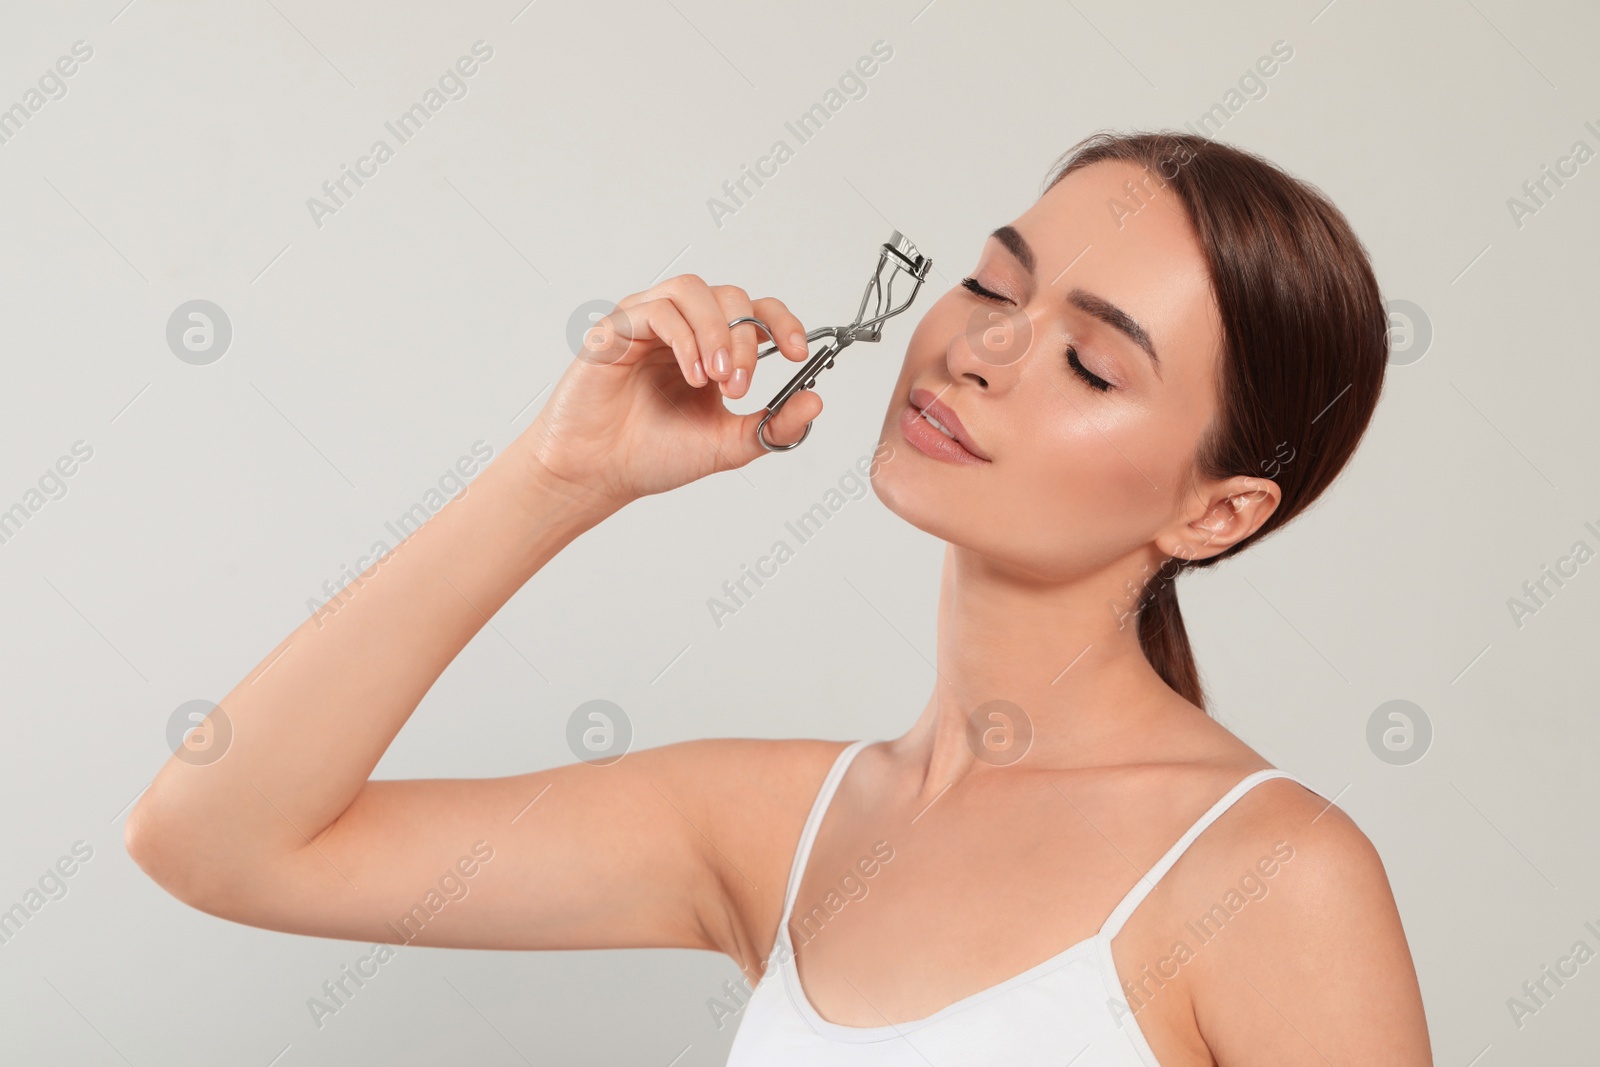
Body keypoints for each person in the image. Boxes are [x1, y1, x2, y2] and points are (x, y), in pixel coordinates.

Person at [126, 129, 1432, 1064]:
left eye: (1090, 363)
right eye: (992, 284)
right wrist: (560, 478)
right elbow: (217, 839)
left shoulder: (1271, 880)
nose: (981, 351)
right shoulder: (781, 828)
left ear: (1214, 512)